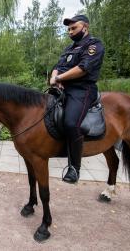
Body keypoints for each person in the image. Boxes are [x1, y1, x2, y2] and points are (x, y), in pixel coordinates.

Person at [49, 15, 105, 184]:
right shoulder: (69, 48)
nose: (70, 31)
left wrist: (59, 79)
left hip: (82, 90)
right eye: (68, 29)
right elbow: (57, 67)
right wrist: (54, 77)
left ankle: (74, 168)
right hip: (62, 89)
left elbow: (82, 68)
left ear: (85, 27)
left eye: (74, 28)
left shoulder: (94, 45)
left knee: (71, 123)